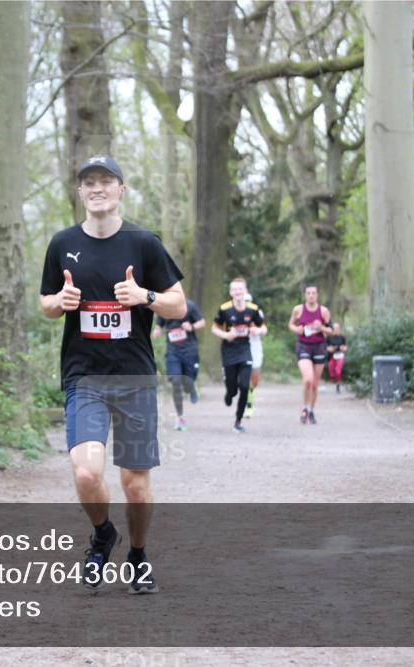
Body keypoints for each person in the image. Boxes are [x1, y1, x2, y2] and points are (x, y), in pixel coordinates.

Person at [40, 155, 186, 595]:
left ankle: (138, 555)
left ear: (121, 189)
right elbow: (45, 303)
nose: (98, 188)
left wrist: (145, 295)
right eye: (89, 182)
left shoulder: (144, 243)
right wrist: (60, 301)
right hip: (84, 376)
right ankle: (104, 533)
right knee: (86, 473)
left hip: (135, 376)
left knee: (135, 485)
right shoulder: (62, 243)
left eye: (106, 181)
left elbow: (177, 304)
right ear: (80, 192)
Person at [212, 277, 266, 433]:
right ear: (231, 292)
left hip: (245, 349)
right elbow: (214, 328)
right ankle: (229, 393)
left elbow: (263, 328)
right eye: (234, 289)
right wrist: (225, 335)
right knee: (233, 388)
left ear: (245, 291)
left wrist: (258, 330)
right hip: (229, 350)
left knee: (244, 386)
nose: (237, 292)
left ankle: (238, 421)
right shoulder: (224, 309)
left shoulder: (253, 309)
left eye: (240, 289)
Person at [152, 299, 206, 430]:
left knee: (188, 382)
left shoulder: (190, 305)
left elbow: (202, 322)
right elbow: (159, 325)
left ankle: (191, 389)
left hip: (189, 351)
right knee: (175, 381)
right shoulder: (163, 307)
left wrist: (192, 327)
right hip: (173, 351)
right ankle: (180, 418)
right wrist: (157, 331)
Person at [288, 284, 333, 424]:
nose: (311, 295)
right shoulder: (298, 310)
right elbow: (291, 325)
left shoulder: (324, 311)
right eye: (308, 293)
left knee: (314, 384)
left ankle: (311, 410)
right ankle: (304, 407)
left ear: (317, 294)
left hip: (319, 347)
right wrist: (298, 330)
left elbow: (331, 330)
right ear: (305, 295)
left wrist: (322, 328)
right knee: (308, 378)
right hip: (303, 346)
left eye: (314, 293)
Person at [244, 291, 262, 419]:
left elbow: (263, 328)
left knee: (254, 381)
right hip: (240, 348)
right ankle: (248, 405)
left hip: (255, 348)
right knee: (243, 380)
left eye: (247, 301)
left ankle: (250, 396)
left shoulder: (257, 313)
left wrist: (257, 329)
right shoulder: (232, 313)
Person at [326, 322, 348, 393]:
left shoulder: (342, 337)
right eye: (335, 328)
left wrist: (342, 348)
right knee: (332, 373)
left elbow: (345, 347)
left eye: (337, 328)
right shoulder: (329, 338)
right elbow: (327, 348)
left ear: (339, 329)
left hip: (340, 355)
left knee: (338, 371)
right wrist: (331, 348)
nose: (336, 329)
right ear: (332, 329)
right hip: (332, 356)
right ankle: (334, 378)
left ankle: (338, 385)